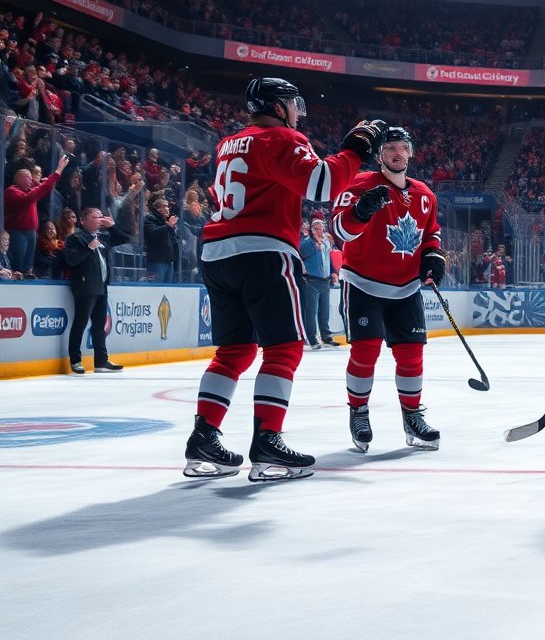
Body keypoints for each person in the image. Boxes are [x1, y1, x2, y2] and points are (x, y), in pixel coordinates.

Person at [183, 77, 382, 482]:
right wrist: (356, 149)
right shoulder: (281, 138)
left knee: (234, 352)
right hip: (263, 251)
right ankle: (268, 442)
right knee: (285, 348)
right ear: (277, 107)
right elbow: (322, 184)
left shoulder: (228, 143)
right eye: (292, 104)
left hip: (217, 253)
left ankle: (203, 437)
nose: (296, 113)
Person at [331, 127, 446, 452]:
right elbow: (341, 229)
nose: (397, 153)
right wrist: (361, 212)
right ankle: (359, 412)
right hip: (363, 282)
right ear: (379, 154)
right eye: (390, 148)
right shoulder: (358, 185)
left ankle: (412, 416)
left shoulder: (425, 194)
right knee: (365, 352)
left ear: (410, 153)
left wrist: (433, 256)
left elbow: (431, 234)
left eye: (402, 148)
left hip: (406, 287)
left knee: (411, 355)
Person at [62, 207, 130, 374]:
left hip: (101, 286)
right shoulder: (75, 238)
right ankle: (75, 360)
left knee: (100, 325)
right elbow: (71, 260)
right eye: (95, 217)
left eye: (101, 216)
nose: (100, 219)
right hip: (85, 287)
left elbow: (124, 238)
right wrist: (88, 248)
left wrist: (112, 225)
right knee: (81, 323)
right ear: (84, 220)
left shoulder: (103, 237)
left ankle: (101, 361)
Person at [4, 154, 69, 275]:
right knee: (18, 264)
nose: (31, 180)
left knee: (28, 265)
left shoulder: (29, 190)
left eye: (30, 177)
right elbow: (33, 195)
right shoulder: (12, 191)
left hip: (31, 232)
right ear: (17, 178)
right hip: (18, 231)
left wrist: (56, 173)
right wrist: (57, 171)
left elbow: (45, 186)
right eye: (27, 177)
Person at [298, 218, 338, 349]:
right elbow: (302, 253)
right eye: (315, 227)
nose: (318, 229)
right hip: (311, 281)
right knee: (311, 311)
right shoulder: (306, 242)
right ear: (311, 229)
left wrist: (333, 272)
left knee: (324, 311)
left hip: (325, 280)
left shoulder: (327, 241)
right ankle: (312, 338)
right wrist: (315, 244)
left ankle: (326, 336)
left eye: (320, 226)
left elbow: (329, 258)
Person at [143, 197, 180, 283]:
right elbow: (152, 234)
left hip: (168, 261)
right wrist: (168, 226)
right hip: (157, 261)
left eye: (168, 206)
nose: (168, 209)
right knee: (156, 289)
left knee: (167, 290)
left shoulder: (166, 221)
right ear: (158, 209)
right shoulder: (150, 219)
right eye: (165, 206)